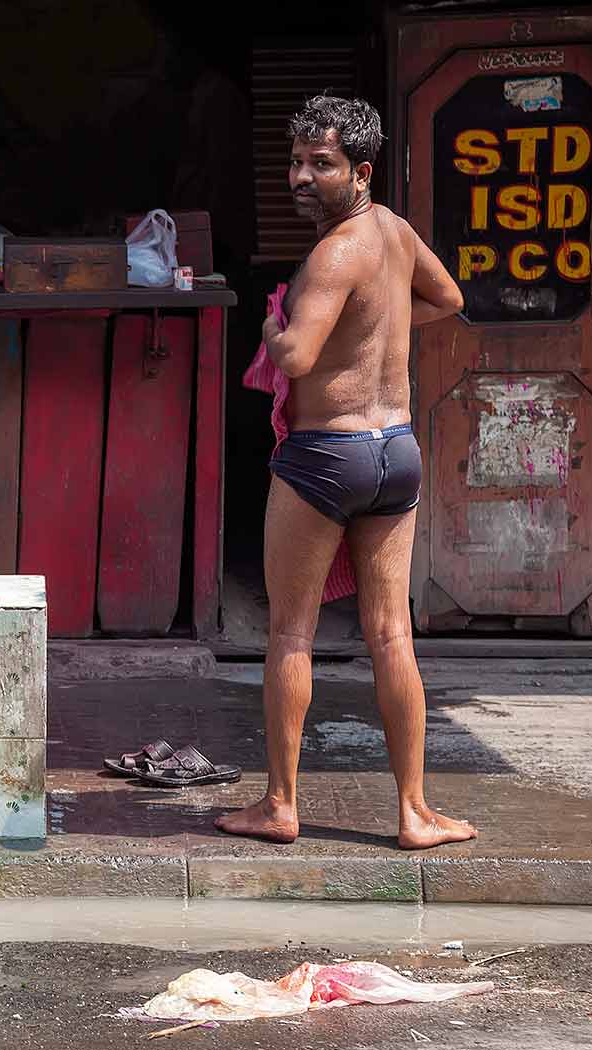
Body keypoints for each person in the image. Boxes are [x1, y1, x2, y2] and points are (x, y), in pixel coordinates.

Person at [215, 96, 477, 851]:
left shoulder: (332, 253)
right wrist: (379, 317)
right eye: (295, 162)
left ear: (359, 170)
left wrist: (272, 325)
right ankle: (415, 812)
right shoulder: (392, 231)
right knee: (392, 634)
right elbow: (448, 298)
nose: (301, 177)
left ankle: (280, 804)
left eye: (319, 164)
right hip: (395, 452)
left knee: (291, 631)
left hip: (327, 452)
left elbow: (294, 358)